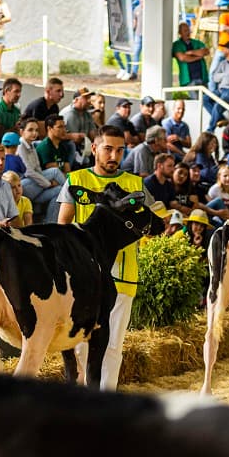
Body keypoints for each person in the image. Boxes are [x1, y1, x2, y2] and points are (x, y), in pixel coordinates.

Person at [58, 124, 153, 391]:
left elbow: (151, 226)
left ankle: (105, 406)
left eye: (120, 150)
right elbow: (63, 226)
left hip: (123, 276)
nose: (114, 156)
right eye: (108, 149)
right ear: (94, 148)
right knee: (80, 345)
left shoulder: (135, 184)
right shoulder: (76, 180)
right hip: (85, 279)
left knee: (113, 347)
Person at [15, 117, 65, 223]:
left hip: (35, 185)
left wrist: (47, 183)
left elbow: (37, 168)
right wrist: (47, 183)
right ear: (21, 131)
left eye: (36, 130)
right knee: (54, 171)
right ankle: (73, 193)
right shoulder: (20, 146)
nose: (34, 133)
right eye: (30, 130)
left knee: (60, 190)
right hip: (23, 186)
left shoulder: (32, 146)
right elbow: (28, 172)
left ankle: (50, 223)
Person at [61, 87, 97, 166]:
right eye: (85, 98)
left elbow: (93, 135)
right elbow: (74, 138)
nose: (89, 101)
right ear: (76, 100)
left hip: (84, 148)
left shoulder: (87, 114)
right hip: (70, 148)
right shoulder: (69, 114)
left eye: (89, 98)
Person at [172, 22, 209, 89]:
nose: (188, 32)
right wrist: (198, 57)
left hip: (202, 77)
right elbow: (182, 58)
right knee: (194, 99)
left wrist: (191, 52)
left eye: (188, 30)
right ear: (180, 33)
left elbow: (206, 51)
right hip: (189, 79)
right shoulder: (177, 44)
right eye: (185, 31)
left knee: (206, 99)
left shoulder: (196, 42)